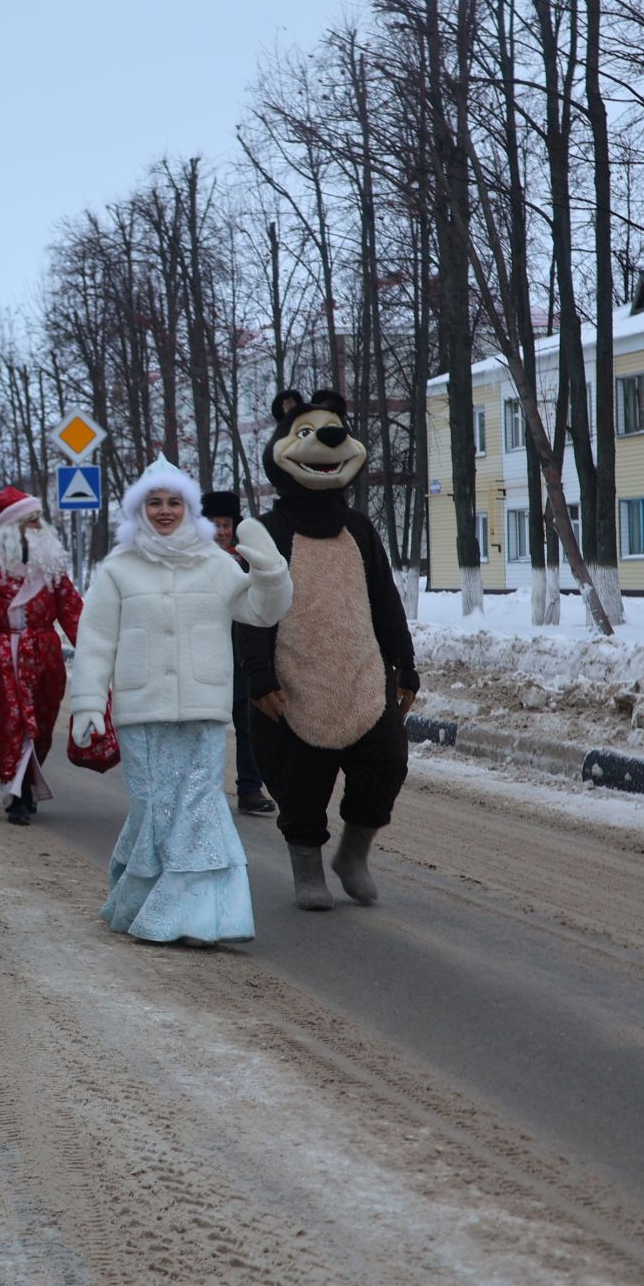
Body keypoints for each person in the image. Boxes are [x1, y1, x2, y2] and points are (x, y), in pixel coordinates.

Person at [68, 457, 293, 948]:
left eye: (174, 502)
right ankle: (140, 901)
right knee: (154, 807)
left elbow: (260, 610)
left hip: (202, 706)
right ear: (139, 509)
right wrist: (87, 703)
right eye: (155, 502)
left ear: (189, 509)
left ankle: (196, 917)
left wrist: (271, 568)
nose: (164, 511)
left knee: (198, 806)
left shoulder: (214, 562)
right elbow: (96, 638)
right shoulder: (118, 567)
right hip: (141, 709)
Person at [235, 390, 420, 911]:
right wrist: (259, 676)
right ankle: (307, 868)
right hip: (293, 678)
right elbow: (252, 609)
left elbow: (385, 600)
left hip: (362, 675)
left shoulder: (359, 529)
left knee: (386, 760)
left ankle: (353, 855)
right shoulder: (269, 531)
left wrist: (405, 664)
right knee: (300, 779)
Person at [0, 487, 82, 825]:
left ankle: (28, 781)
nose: (36, 527)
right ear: (11, 528)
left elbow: (71, 609)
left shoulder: (50, 563)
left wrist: (91, 647)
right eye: (28, 522)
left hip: (46, 652)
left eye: (37, 520)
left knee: (42, 723)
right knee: (13, 722)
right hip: (5, 651)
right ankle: (16, 795)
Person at [201, 489, 279, 817]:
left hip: (240, 653)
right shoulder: (193, 560)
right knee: (206, 726)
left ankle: (249, 788)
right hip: (205, 654)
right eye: (215, 524)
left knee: (247, 724)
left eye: (226, 524)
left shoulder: (246, 559)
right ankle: (203, 790)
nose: (221, 530)